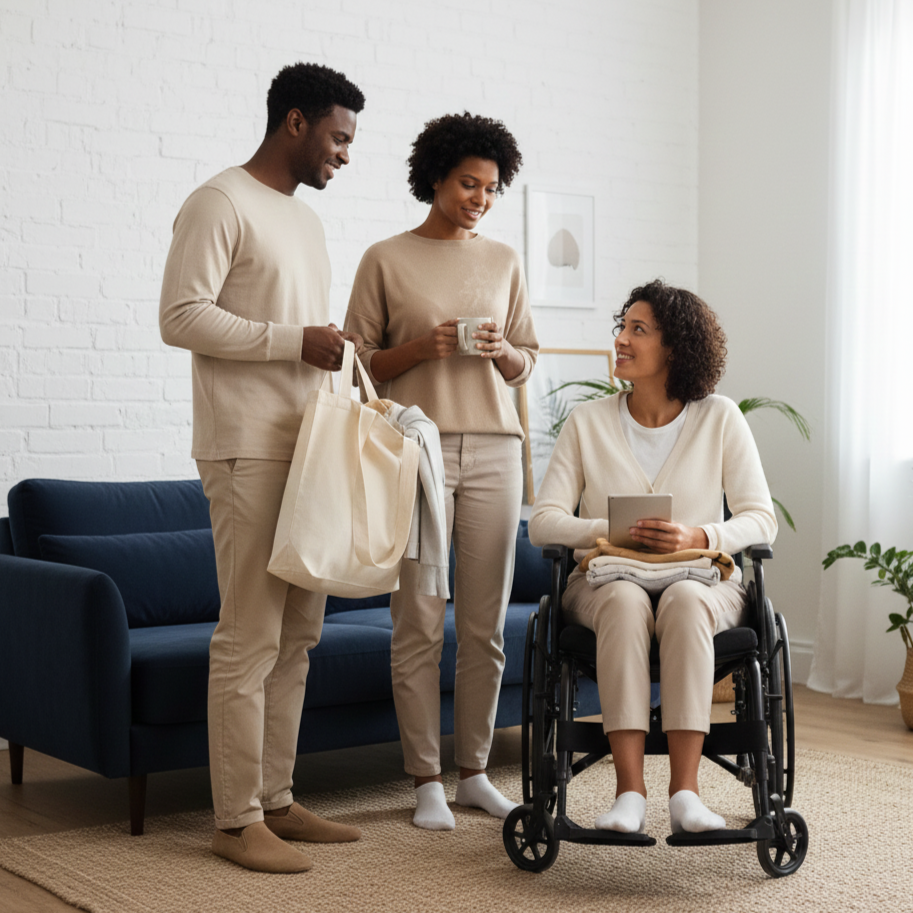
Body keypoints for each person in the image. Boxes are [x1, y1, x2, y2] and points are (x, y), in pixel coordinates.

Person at [159, 62, 366, 873]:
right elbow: (180, 316)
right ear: (295, 122)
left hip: (309, 447)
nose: (344, 154)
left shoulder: (304, 222)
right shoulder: (218, 202)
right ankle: (234, 818)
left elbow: (303, 337)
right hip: (245, 447)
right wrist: (292, 339)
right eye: (338, 137)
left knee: (300, 634)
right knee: (249, 636)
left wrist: (339, 368)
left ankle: (275, 798)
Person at [344, 112, 539, 831]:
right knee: (419, 619)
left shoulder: (505, 261)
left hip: (495, 448)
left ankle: (475, 772)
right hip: (413, 451)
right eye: (468, 183)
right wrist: (421, 348)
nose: (480, 199)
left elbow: (527, 358)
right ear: (433, 177)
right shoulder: (384, 259)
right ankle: (424, 776)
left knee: (484, 626)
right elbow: (356, 363)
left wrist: (500, 353)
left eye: (491, 188)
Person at [529, 280, 777, 835]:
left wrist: (699, 534)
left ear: (675, 347)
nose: (620, 339)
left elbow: (762, 519)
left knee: (687, 600)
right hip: (605, 580)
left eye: (637, 330)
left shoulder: (720, 418)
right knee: (621, 599)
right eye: (622, 327)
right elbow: (543, 521)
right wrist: (614, 533)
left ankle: (686, 796)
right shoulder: (587, 421)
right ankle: (629, 795)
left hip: (700, 580)